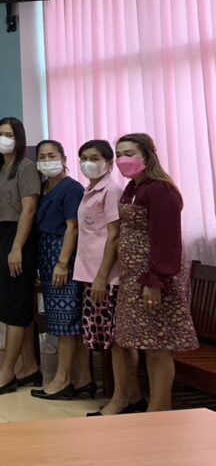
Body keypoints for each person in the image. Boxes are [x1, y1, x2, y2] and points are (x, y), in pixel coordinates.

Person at [112, 133, 198, 411]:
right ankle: (152, 407)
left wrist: (156, 281)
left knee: (158, 344)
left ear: (147, 156)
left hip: (154, 278)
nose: (122, 160)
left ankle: (159, 409)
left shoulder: (160, 190)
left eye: (129, 154)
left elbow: (166, 239)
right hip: (132, 278)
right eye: (118, 154)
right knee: (145, 342)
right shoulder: (133, 188)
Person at [75, 140, 144, 416]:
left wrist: (102, 276)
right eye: (83, 158)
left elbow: (114, 236)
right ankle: (132, 396)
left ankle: (120, 400)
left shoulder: (111, 191)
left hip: (107, 277)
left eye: (94, 158)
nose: (88, 163)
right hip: (91, 273)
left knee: (118, 341)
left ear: (108, 163)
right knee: (111, 341)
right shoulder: (90, 190)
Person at [0, 117, 42, 395]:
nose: (3, 139)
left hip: (19, 237)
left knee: (16, 304)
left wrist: (17, 247)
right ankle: (29, 367)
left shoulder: (26, 168)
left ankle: (7, 372)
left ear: (19, 138)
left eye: (9, 134)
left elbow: (29, 209)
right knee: (8, 305)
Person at [31, 140, 94, 400]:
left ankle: (63, 379)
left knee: (67, 320)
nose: (47, 161)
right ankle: (83, 378)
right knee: (60, 319)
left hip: (62, 257)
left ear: (64, 158)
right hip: (46, 256)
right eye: (42, 156)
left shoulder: (71, 188)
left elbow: (73, 227)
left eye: (52, 155)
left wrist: (63, 262)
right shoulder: (44, 188)